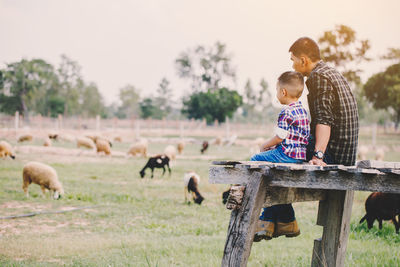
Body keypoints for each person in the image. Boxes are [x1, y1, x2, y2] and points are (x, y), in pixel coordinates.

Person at [251, 71, 310, 241]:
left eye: (277, 91)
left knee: (255, 160)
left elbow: (280, 137)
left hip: (285, 153)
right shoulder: (302, 111)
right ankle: (284, 223)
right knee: (275, 182)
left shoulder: (285, 112)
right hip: (298, 155)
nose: (277, 94)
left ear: (283, 92)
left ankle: (253, 197)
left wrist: (265, 145)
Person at [288, 37, 359, 167]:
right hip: (345, 156)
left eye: (293, 60)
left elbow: (324, 119)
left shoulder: (318, 76)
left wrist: (318, 156)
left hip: (332, 156)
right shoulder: (331, 72)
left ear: (303, 60)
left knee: (284, 141)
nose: (292, 66)